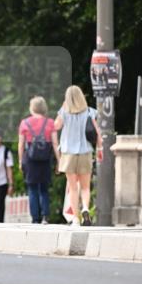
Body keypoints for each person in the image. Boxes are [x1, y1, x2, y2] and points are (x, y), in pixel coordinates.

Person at [54, 85, 101, 226]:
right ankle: (85, 208)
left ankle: (75, 218)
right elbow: (97, 133)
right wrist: (100, 149)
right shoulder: (89, 112)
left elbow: (56, 126)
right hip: (85, 152)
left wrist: (62, 108)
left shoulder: (64, 112)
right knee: (85, 187)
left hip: (68, 154)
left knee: (73, 188)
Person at [18, 96, 60, 224]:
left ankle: (35, 218)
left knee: (32, 188)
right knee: (44, 188)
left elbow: (21, 144)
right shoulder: (50, 122)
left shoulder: (25, 123)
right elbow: (54, 143)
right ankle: (45, 216)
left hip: (30, 160)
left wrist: (20, 161)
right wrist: (59, 161)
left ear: (32, 108)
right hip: (45, 159)